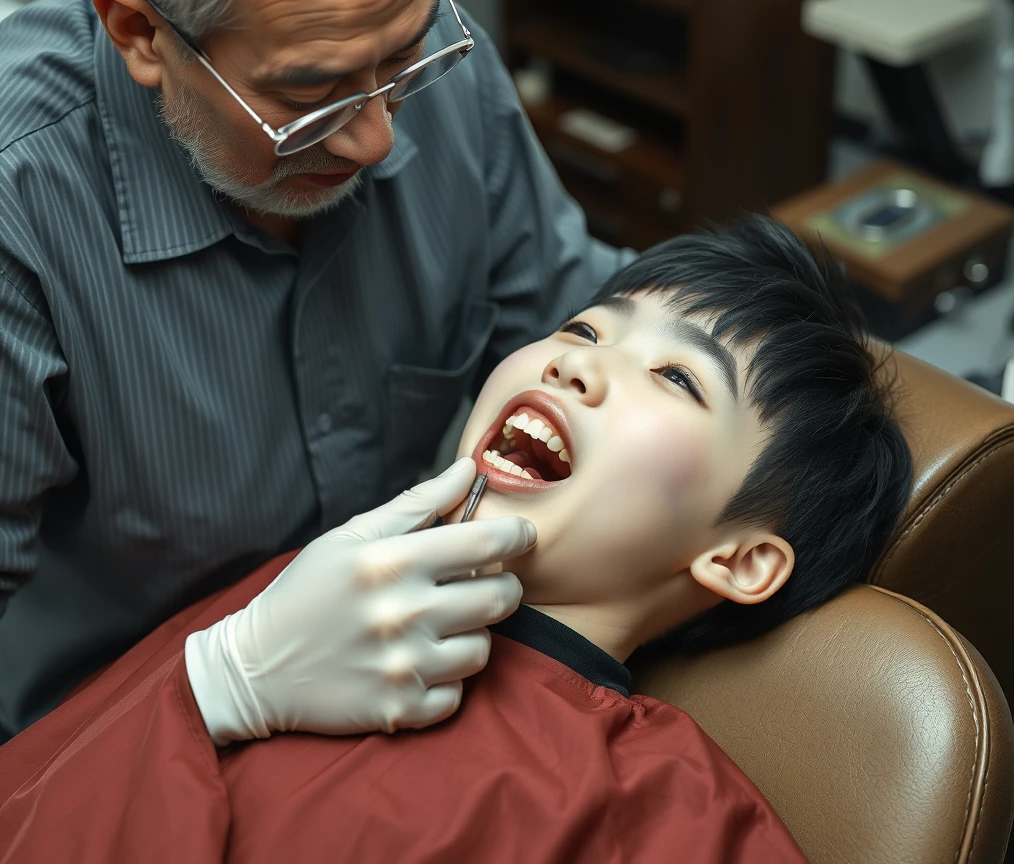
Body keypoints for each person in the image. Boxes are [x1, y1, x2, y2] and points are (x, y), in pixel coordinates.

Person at [0, 218, 913, 863]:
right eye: (586, 326)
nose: (575, 358)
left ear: (741, 557)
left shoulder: (665, 812)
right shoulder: (299, 598)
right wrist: (217, 686)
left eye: (676, 376)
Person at [0, 0, 628, 742]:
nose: (376, 140)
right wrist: (224, 684)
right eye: (313, 94)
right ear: (140, 34)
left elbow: (579, 324)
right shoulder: (19, 203)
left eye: (403, 57)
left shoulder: (438, 76)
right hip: (117, 747)